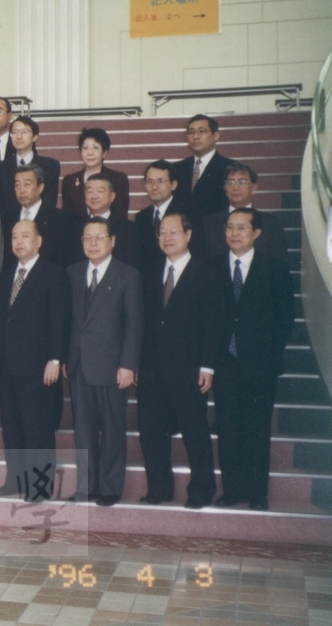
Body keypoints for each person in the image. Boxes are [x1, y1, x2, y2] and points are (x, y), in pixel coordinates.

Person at [212, 208, 294, 512]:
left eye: (241, 228)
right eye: (230, 227)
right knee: (227, 428)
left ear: (257, 233)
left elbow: (285, 320)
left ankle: (258, 493)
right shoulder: (212, 267)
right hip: (224, 364)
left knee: (257, 429)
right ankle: (232, 490)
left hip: (261, 365)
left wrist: (267, 356)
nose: (234, 233)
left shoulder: (275, 269)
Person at [138, 213, 217, 509]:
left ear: (188, 235)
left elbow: (214, 324)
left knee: (194, 431)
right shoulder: (149, 272)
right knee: (151, 432)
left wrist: (208, 365)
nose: (167, 237)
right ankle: (159, 488)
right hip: (151, 367)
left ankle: (201, 490)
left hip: (189, 369)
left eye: (173, 231)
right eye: (162, 232)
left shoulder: (205, 273)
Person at [66, 218, 144, 506]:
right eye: (87, 238)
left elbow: (134, 325)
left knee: (112, 430)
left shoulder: (128, 275)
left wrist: (128, 364)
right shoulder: (73, 272)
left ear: (112, 241)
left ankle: (110, 488)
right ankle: (87, 486)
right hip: (79, 364)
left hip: (113, 367)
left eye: (99, 237)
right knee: (83, 430)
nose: (93, 243)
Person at [0, 220, 70, 501]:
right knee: (12, 428)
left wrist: (55, 359)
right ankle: (14, 480)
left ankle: (40, 486)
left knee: (38, 429)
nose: (19, 241)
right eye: (14, 236)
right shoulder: (5, 276)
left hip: (39, 366)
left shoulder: (53, 274)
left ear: (38, 241)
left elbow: (60, 320)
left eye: (25, 236)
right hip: (7, 366)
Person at [202, 162, 289, 263]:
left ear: (254, 188)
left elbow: (279, 265)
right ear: (225, 188)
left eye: (242, 182)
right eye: (231, 182)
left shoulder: (271, 223)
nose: (235, 187)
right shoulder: (209, 223)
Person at [1, 164, 75, 270]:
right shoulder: (6, 220)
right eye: (17, 185)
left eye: (27, 184)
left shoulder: (60, 219)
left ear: (40, 188)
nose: (21, 190)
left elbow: (65, 259)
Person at [134, 159, 200, 276]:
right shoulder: (142, 217)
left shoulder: (189, 213)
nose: (154, 187)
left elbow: (198, 250)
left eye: (161, 181)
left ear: (173, 185)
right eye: (150, 181)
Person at [0, 116, 61, 218]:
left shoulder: (50, 166)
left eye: (24, 132)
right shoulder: (1, 167)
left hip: (40, 222)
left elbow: (49, 202)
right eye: (15, 132)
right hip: (10, 223)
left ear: (35, 137)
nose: (19, 136)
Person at [173, 114, 236, 216]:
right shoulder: (177, 168)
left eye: (201, 131)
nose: (195, 137)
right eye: (191, 132)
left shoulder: (230, 167)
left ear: (216, 136)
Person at [72, 174, 139, 268]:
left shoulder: (129, 229)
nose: (94, 196)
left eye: (100, 191)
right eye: (90, 191)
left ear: (112, 196)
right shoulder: (74, 228)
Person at [61, 128, 130, 220]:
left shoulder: (118, 179)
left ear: (104, 153)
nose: (90, 153)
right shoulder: (70, 181)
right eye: (85, 148)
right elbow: (66, 217)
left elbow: (121, 216)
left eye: (95, 148)